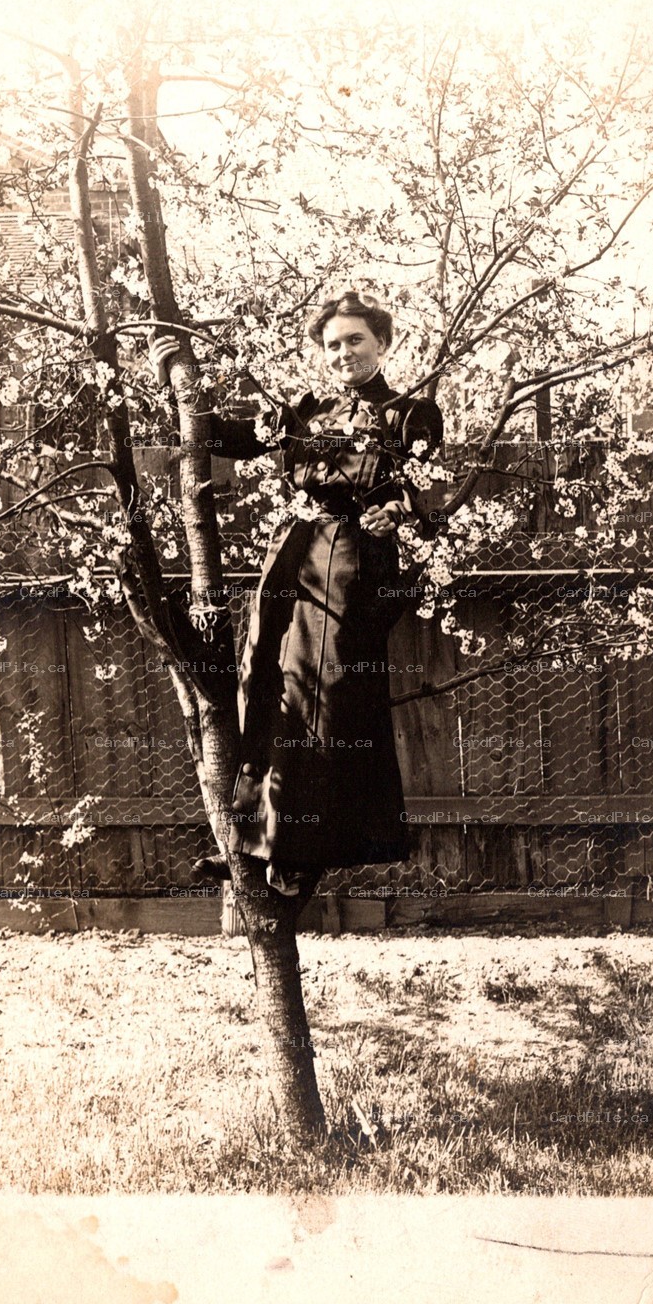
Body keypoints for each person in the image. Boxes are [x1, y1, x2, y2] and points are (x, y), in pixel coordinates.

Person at [148, 290, 444, 897]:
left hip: (356, 564)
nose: (343, 353)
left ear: (383, 344)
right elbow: (223, 436)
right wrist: (169, 380)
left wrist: (398, 508)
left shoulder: (410, 414)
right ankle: (252, 846)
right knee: (266, 685)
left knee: (327, 699)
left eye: (355, 340)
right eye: (332, 344)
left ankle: (307, 851)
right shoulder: (305, 410)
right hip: (291, 557)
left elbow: (429, 489)